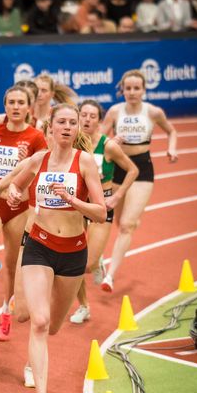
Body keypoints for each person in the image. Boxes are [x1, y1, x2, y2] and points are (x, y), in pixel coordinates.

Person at [0, 104, 106, 393]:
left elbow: (101, 213)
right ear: (50, 128)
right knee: (38, 322)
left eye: (72, 123)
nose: (67, 127)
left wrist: (73, 201)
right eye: (61, 122)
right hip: (39, 245)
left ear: (78, 129)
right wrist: (13, 193)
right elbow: (15, 185)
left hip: (74, 252)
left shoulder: (86, 163)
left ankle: (29, 347)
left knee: (52, 326)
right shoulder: (38, 160)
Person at [0, 86, 47, 341]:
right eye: (11, 102)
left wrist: (23, 177)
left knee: (13, 266)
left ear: (28, 107)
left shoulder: (36, 137)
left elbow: (40, 170)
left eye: (20, 103)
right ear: (5, 106)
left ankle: (5, 313)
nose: (15, 107)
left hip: (18, 207)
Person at [100, 69, 178, 292]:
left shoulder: (153, 112)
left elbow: (172, 131)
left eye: (137, 88)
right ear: (122, 90)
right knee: (119, 220)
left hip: (142, 168)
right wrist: (111, 140)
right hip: (117, 167)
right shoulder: (115, 112)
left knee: (126, 225)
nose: (132, 92)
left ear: (144, 90)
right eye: (128, 88)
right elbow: (100, 139)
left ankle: (110, 277)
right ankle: (131, 221)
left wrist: (171, 149)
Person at [69, 99, 138, 324]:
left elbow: (132, 170)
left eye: (92, 116)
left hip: (102, 206)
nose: (87, 120)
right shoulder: (72, 142)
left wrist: (117, 196)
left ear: (100, 121)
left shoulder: (107, 145)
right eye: (84, 115)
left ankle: (97, 261)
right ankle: (84, 306)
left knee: (88, 264)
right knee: (75, 261)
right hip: (78, 204)